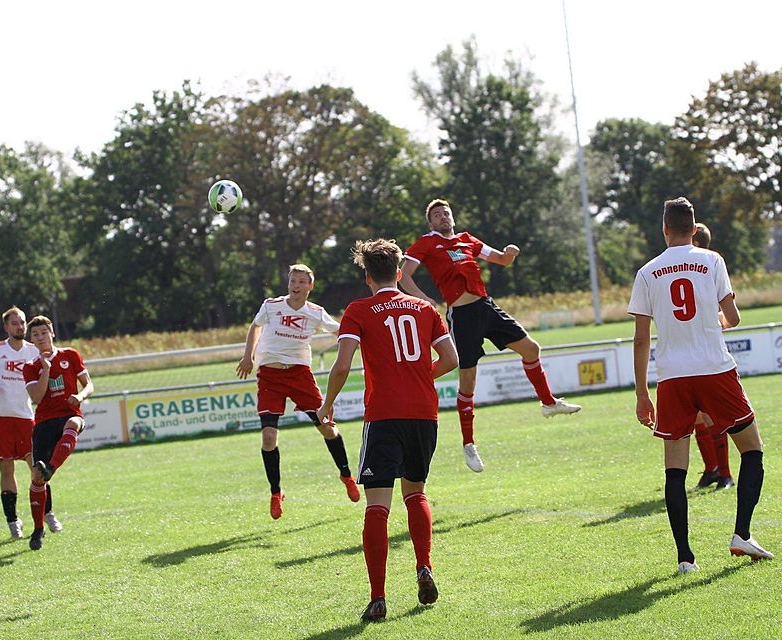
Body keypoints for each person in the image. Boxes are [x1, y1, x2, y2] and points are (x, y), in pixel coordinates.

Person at [628, 197, 772, 573]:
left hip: (673, 376)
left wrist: (643, 394)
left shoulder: (647, 272)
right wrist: (713, 324)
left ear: (663, 230)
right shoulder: (713, 260)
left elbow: (641, 339)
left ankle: (685, 559)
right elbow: (733, 317)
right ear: (694, 230)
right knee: (752, 450)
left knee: (675, 469)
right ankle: (742, 534)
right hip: (714, 368)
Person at [317, 239, 458, 622]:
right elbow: (451, 359)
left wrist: (327, 403)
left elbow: (343, 366)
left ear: (367, 277)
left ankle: (378, 597)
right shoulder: (425, 308)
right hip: (423, 414)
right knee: (416, 492)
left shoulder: (359, 310)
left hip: (383, 415)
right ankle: (424, 566)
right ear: (399, 273)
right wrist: (416, 378)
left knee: (378, 505)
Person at [400, 199, 580, 473]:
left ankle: (548, 403)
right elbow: (404, 275)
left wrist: (510, 253)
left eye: (446, 212)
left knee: (531, 349)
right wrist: (424, 299)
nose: (443, 217)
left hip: (487, 307)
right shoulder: (427, 242)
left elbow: (501, 260)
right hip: (462, 316)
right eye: (437, 215)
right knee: (468, 383)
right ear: (431, 223)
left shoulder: (466, 239)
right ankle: (469, 444)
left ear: (453, 217)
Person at [237, 264, 360, 520]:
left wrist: (363, 337)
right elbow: (255, 326)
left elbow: (340, 331)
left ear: (309, 286)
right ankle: (276, 492)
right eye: (293, 280)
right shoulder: (271, 305)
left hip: (300, 375)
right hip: (270, 375)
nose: (296, 285)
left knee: (326, 427)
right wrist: (247, 357)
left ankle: (346, 475)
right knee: (268, 437)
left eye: (302, 281)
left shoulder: (315, 312)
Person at [0, 307, 62, 539]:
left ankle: (47, 512)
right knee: (6, 467)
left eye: (22, 322)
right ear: (6, 327)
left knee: (37, 466)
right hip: (0, 416)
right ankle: (13, 520)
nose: (20, 327)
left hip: (26, 416)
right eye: (14, 323)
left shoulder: (33, 351)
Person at [22, 315, 94, 551]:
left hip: (69, 414)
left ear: (52, 333)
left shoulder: (71, 355)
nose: (40, 337)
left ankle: (51, 467)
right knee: (36, 479)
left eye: (43, 332)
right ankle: (38, 529)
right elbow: (37, 398)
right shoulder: (31, 367)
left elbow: (89, 385)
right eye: (35, 334)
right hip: (43, 422)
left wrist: (80, 396)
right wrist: (45, 369)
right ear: (30, 340)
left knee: (73, 423)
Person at [690, 223, 733, 490]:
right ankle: (711, 469)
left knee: (710, 417)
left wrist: (718, 321)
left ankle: (725, 473)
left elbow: (728, 311)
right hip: (687, 353)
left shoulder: (708, 266)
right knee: (696, 418)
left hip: (706, 353)